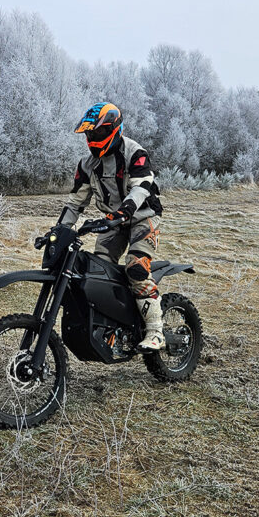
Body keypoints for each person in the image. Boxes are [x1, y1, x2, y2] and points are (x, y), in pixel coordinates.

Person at [58, 102, 165, 351]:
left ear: (114, 129)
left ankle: (156, 332)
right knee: (97, 274)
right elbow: (75, 202)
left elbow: (141, 186)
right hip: (112, 223)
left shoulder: (134, 153)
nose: (93, 138)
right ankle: (115, 325)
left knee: (136, 268)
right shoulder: (87, 165)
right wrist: (59, 230)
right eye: (90, 134)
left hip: (143, 218)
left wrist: (124, 211)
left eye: (98, 133)